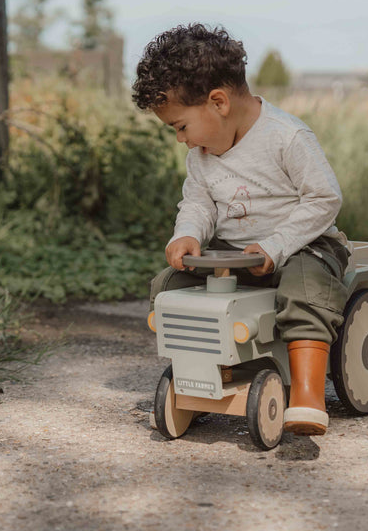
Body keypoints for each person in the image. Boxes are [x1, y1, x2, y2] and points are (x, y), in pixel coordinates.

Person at [132, 23, 350, 436]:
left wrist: (275, 244)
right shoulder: (201, 155)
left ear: (218, 102)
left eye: (180, 126)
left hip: (304, 245)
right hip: (232, 253)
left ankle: (306, 393)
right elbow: (198, 202)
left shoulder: (286, 137)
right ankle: (203, 376)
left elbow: (324, 199)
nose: (181, 140)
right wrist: (189, 234)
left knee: (306, 289)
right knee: (169, 286)